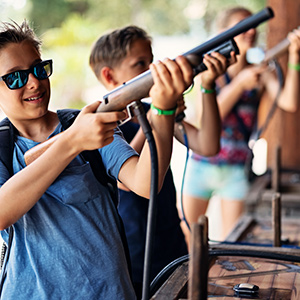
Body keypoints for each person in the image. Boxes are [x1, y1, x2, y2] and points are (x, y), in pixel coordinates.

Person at [0, 20, 194, 300]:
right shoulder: (8, 146)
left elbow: (146, 183)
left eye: (39, 69)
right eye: (15, 77)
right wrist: (72, 142)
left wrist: (162, 111)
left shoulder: (85, 122)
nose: (34, 82)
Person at [89, 25, 236, 297]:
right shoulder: (99, 123)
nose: (152, 69)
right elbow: (128, 182)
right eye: (140, 64)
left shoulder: (153, 109)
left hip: (170, 238)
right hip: (133, 249)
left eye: (151, 60)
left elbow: (207, 144)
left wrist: (207, 86)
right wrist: (160, 113)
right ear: (109, 76)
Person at [182, 7, 300, 242]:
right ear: (224, 32)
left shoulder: (260, 70)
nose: (251, 31)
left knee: (231, 242)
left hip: (236, 168)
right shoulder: (209, 70)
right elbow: (205, 116)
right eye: (242, 27)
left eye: (254, 26)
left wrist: (295, 57)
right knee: (185, 239)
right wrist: (238, 85)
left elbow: (289, 101)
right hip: (201, 165)